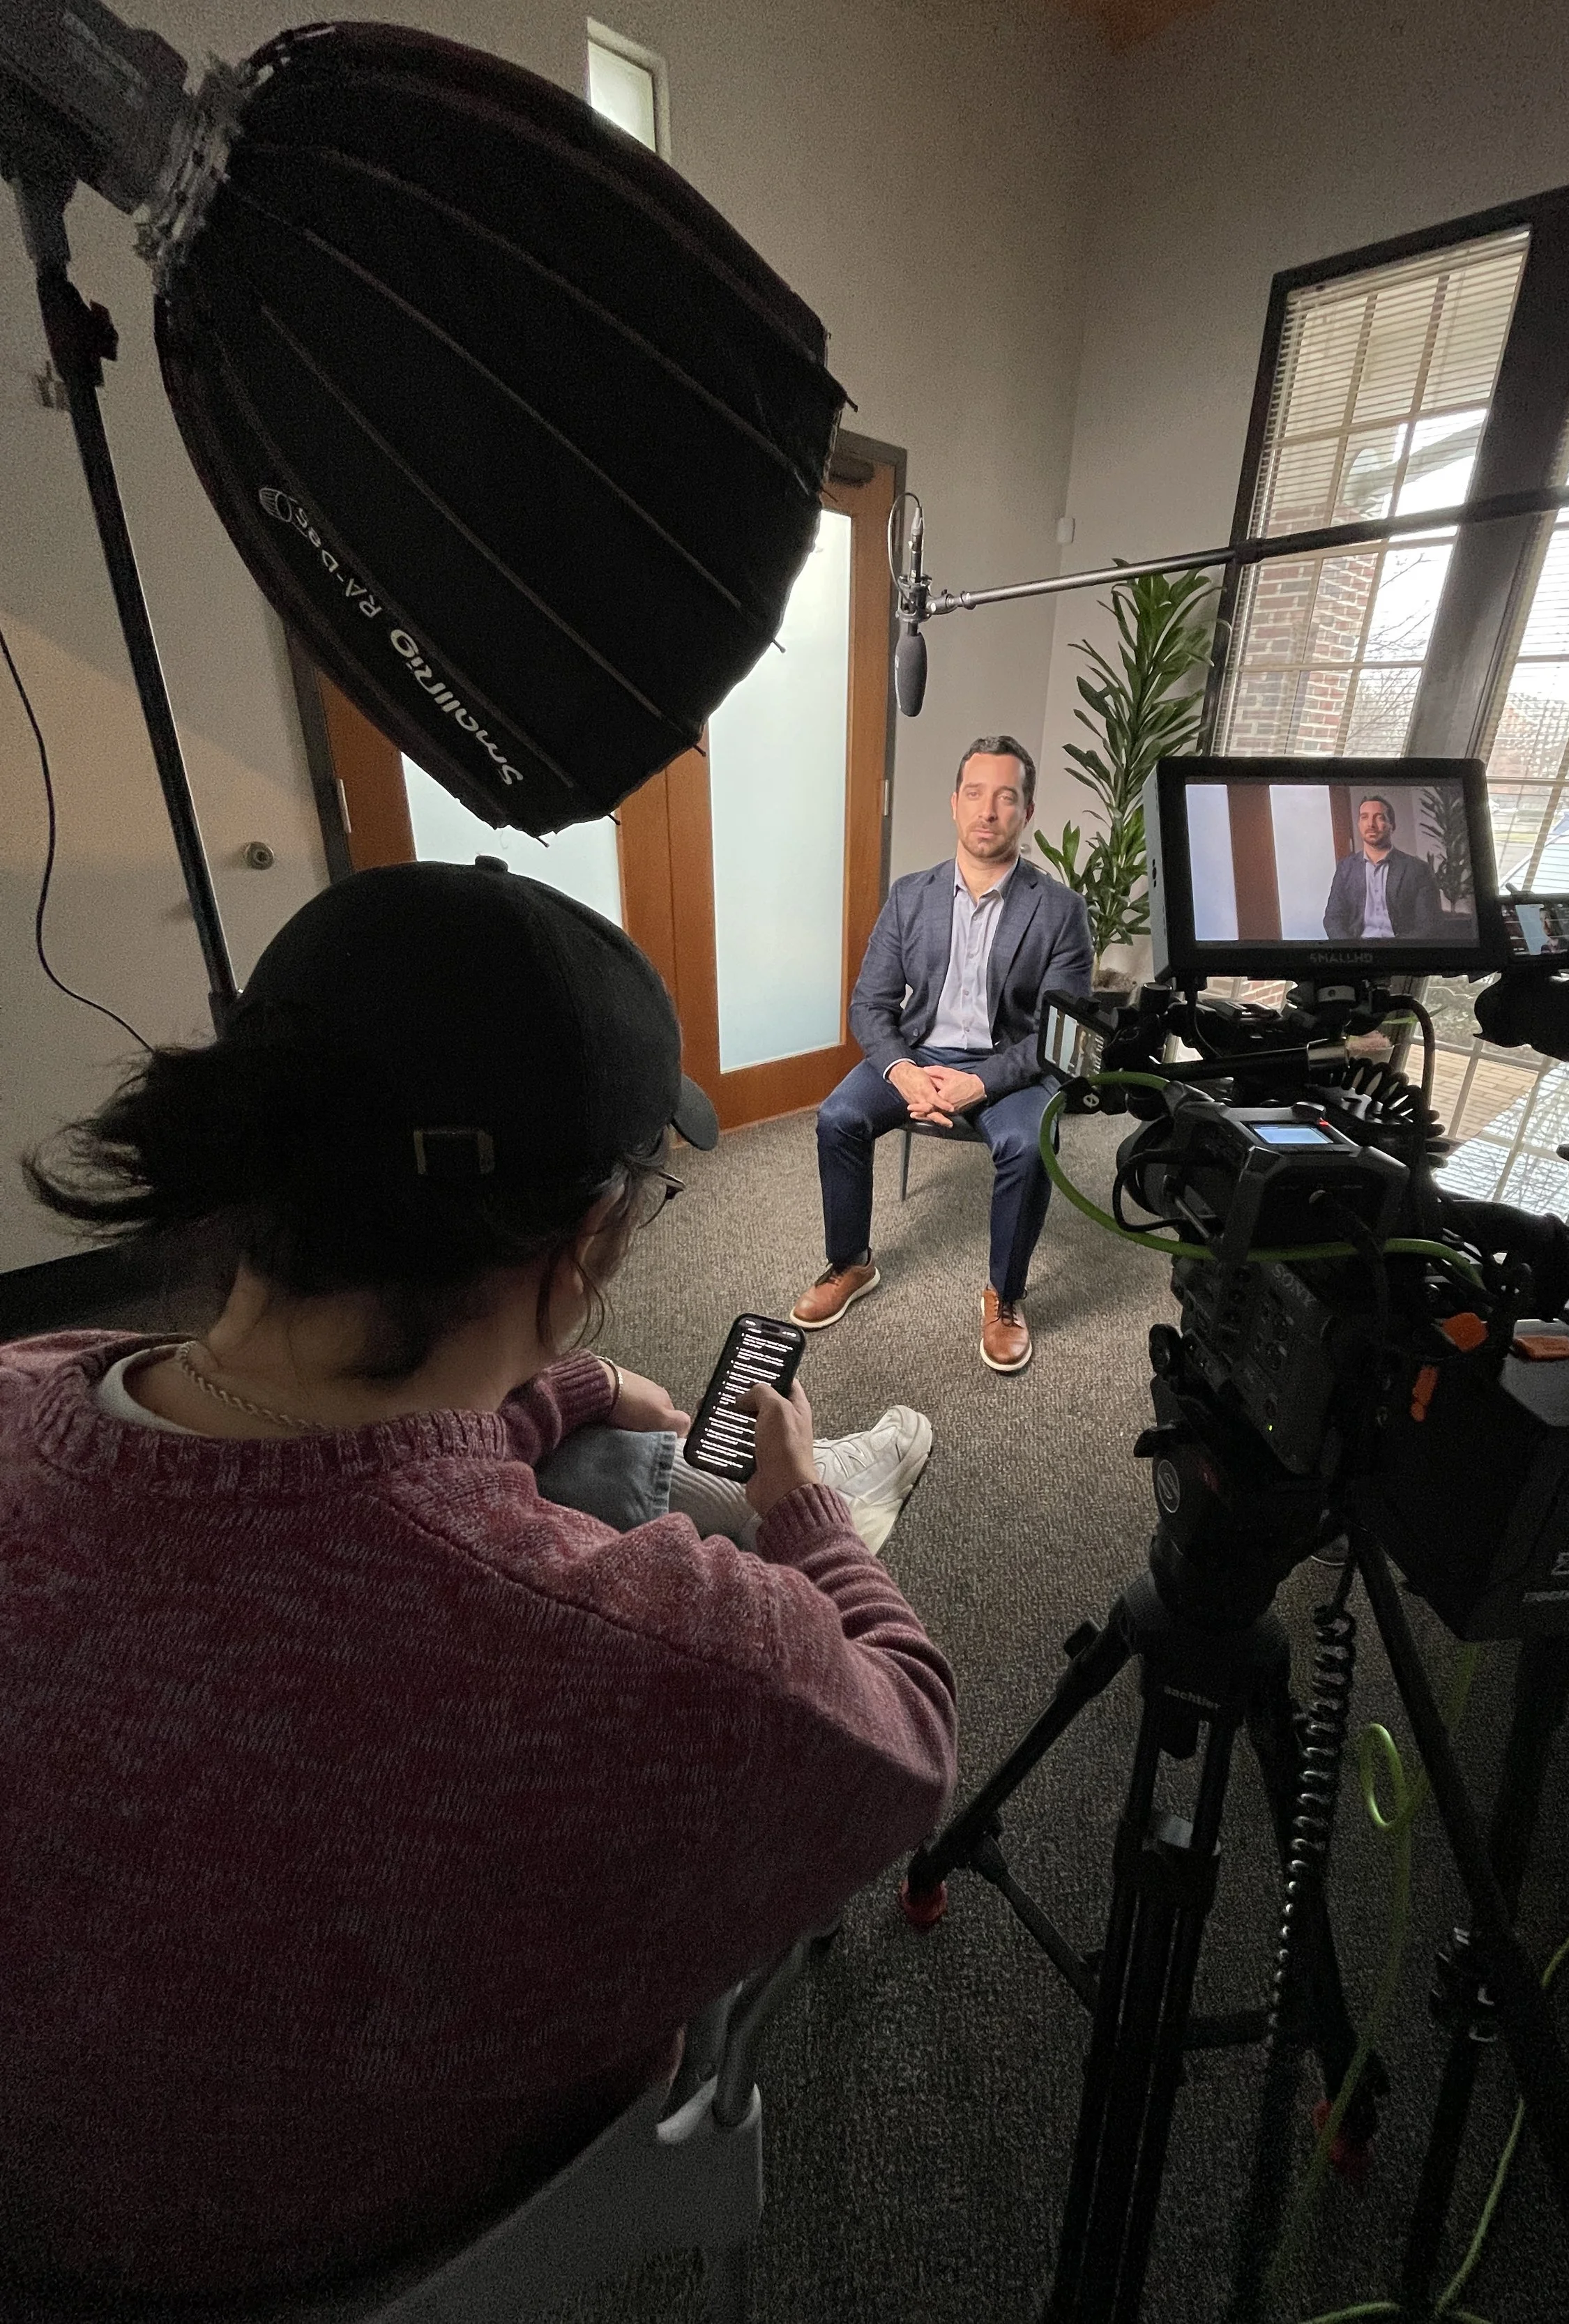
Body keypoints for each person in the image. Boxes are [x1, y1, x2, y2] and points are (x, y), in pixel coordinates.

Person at [0, 862, 956, 2313]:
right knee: (682, 1498)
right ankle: (845, 1482)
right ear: (586, 1245)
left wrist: (550, 1385)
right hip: (381, 2235)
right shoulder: (686, 1653)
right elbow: (905, 1741)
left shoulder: (25, 1383)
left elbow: (317, 1472)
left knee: (603, 1463)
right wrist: (802, 1513)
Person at [790, 735, 1093, 1375]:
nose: (988, 811)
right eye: (975, 794)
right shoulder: (911, 896)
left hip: (1010, 1062)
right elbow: (870, 1005)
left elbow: (1062, 1037)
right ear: (954, 805)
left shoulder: (1061, 911)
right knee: (837, 1117)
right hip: (920, 1051)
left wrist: (976, 1085)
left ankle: (1005, 1296)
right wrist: (903, 1070)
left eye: (1005, 798)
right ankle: (851, 1263)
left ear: (1026, 812)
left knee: (1029, 1144)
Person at [1321, 792, 1443, 940]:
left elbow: (1429, 925)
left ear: (1392, 825)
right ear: (1359, 825)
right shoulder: (1345, 869)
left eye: (1379, 817)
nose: (1371, 824)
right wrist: (1352, 950)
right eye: (1364, 817)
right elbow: (1332, 919)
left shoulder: (1417, 869)